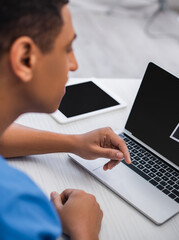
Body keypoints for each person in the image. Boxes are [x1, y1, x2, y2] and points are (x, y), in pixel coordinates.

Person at [0, 0, 129, 239]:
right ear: (25, 58)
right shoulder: (14, 206)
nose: (74, 64)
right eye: (67, 48)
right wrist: (84, 230)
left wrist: (74, 142)